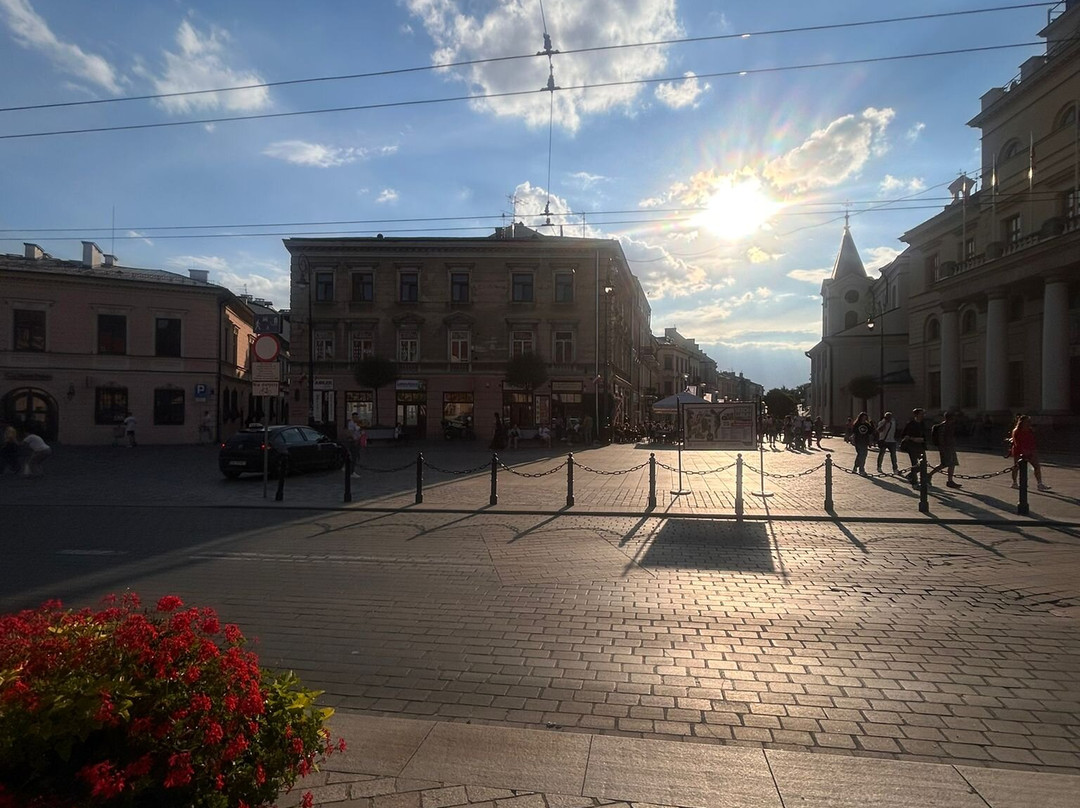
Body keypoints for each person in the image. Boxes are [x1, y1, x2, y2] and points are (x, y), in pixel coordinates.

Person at [1009, 414, 1051, 491]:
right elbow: (1017, 443)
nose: (1029, 423)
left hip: (1031, 451)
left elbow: (1032, 441)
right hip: (1019, 451)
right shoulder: (1016, 431)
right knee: (1016, 467)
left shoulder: (1030, 430)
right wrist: (1024, 451)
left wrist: (1033, 451)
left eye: (1029, 421)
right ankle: (1014, 482)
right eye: (1027, 421)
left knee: (1036, 466)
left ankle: (1040, 484)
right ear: (1022, 422)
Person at [928, 410, 962, 489]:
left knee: (952, 464)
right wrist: (944, 448)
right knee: (944, 464)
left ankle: (950, 481)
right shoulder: (943, 426)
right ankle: (929, 475)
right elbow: (941, 439)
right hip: (945, 448)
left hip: (950, 447)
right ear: (950, 418)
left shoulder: (950, 426)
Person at [898, 408, 928, 488]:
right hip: (912, 446)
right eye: (921, 414)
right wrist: (912, 438)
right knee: (914, 464)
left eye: (923, 414)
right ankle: (914, 483)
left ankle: (911, 476)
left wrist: (923, 439)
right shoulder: (910, 424)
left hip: (921, 446)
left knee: (924, 464)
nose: (922, 415)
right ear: (916, 415)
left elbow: (925, 434)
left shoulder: (923, 423)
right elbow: (903, 435)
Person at [347, 412, 363, 477]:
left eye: (357, 417)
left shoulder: (357, 423)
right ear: (353, 417)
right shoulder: (351, 423)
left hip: (358, 441)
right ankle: (352, 472)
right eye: (356, 417)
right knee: (354, 456)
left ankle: (349, 468)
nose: (357, 418)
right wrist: (354, 439)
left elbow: (359, 430)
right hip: (354, 442)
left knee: (356, 456)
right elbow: (350, 432)